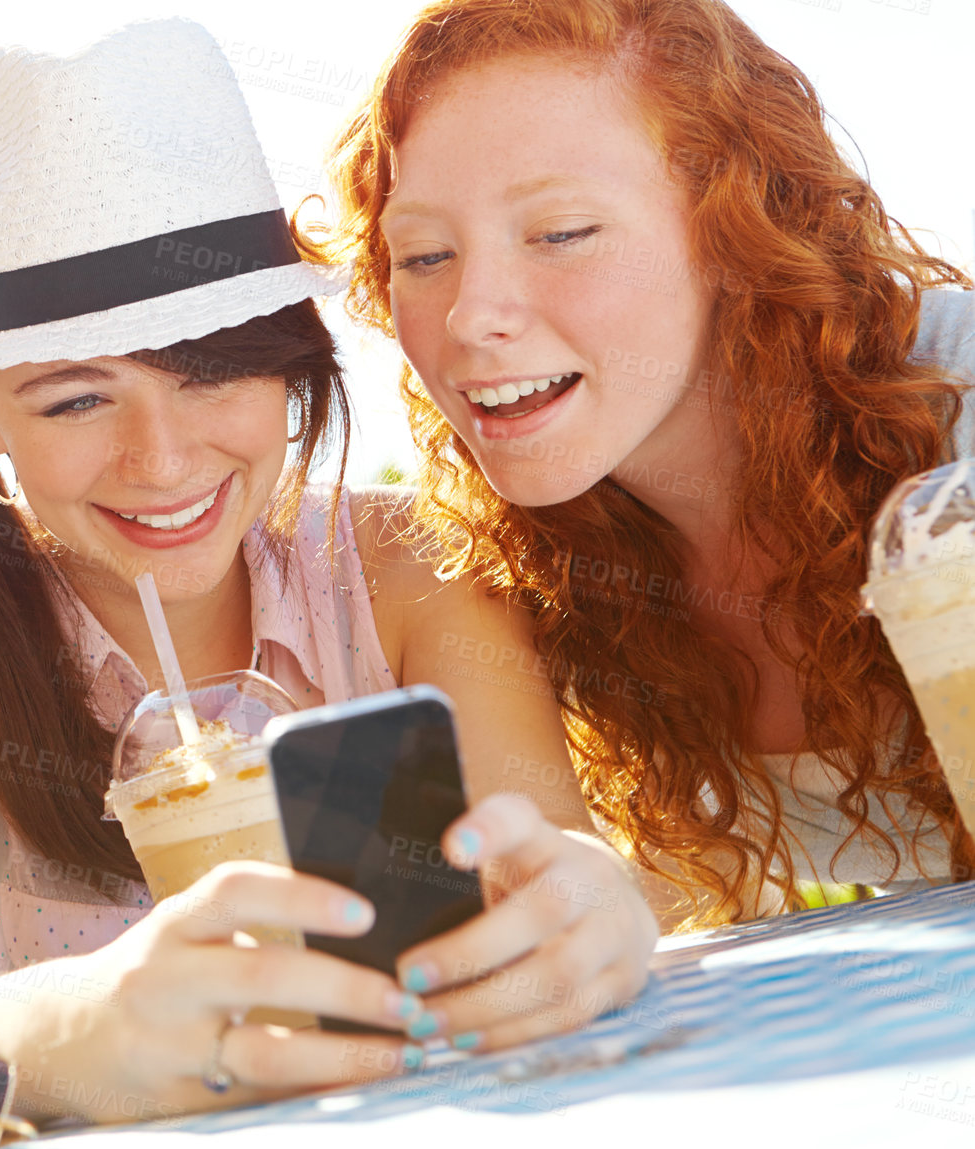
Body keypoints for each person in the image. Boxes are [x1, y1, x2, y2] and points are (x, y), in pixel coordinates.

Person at [0, 19, 657, 1123]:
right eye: (77, 398)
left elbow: (552, 853)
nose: (164, 460)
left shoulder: (409, 573)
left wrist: (598, 896)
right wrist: (78, 1022)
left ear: (286, 354)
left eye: (211, 372)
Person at [308, 0, 975, 927]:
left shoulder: (956, 423)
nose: (470, 314)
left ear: (736, 227)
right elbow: (664, 930)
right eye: (424, 255)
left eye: (562, 233)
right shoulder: (539, 569)